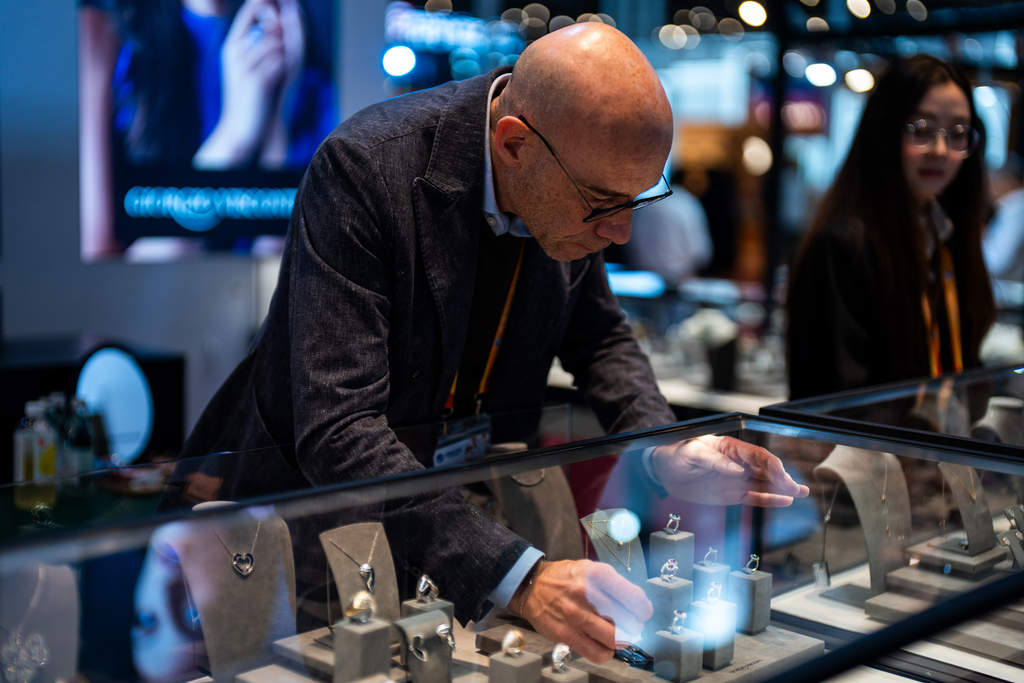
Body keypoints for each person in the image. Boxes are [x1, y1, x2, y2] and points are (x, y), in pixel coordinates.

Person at [170, 23, 808, 662]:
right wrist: (522, 575)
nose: (619, 233)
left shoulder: (568, 170)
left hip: (466, 521)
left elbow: (601, 338)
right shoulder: (366, 168)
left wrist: (665, 445)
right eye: (601, 204)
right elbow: (339, 430)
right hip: (320, 534)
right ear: (513, 144)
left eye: (637, 202)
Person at [787, 55, 995, 400]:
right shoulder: (842, 245)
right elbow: (840, 399)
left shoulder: (947, 239)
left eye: (958, 133)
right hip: (863, 451)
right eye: (923, 130)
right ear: (885, 131)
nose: (941, 150)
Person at [621, 169, 713, 287]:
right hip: (678, 281)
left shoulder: (649, 202)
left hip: (641, 278)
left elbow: (630, 239)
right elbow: (700, 251)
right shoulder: (688, 203)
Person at [982, 155, 1024, 283]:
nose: (989, 190)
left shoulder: (1015, 207)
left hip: (1008, 293)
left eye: (993, 182)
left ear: (1008, 181)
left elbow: (997, 264)